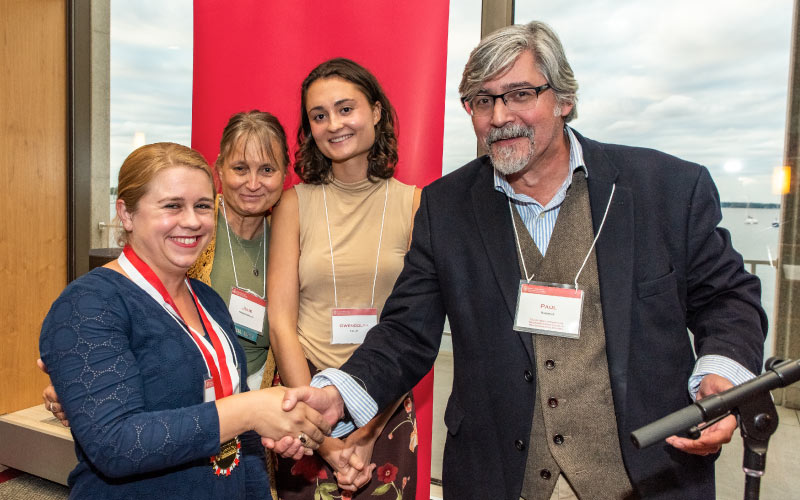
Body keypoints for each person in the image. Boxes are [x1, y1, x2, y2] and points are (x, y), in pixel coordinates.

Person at [280, 22, 768, 499]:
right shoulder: (446, 207)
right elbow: (406, 332)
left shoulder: (665, 189)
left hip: (647, 473)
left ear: (564, 99)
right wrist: (339, 394)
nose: (499, 117)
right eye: (483, 101)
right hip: (497, 475)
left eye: (520, 94)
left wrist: (721, 379)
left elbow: (727, 297)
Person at [39, 142, 330, 499]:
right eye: (172, 206)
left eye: (203, 206)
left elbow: (244, 442)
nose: (192, 220)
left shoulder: (208, 301)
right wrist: (248, 409)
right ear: (126, 214)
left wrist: (255, 420)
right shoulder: (89, 303)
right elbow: (115, 444)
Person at [267, 58, 421, 497]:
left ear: (375, 111)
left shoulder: (414, 205)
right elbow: (280, 321)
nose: (333, 124)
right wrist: (322, 437)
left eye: (345, 108)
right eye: (319, 115)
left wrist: (367, 432)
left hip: (385, 399)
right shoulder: (294, 204)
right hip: (303, 396)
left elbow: (414, 328)